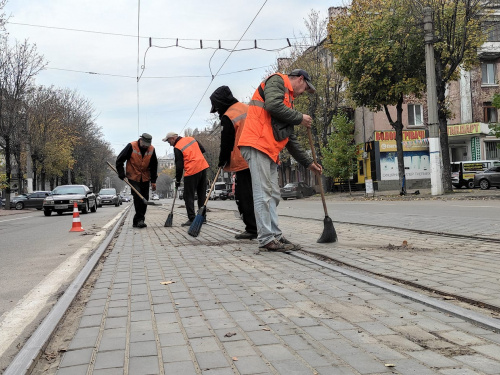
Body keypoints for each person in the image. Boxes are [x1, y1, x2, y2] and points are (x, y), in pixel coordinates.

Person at [238, 69, 323, 252]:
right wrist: (300, 118)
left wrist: (309, 164)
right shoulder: (277, 81)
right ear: (301, 79)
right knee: (263, 193)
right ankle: (266, 239)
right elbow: (272, 106)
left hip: (268, 149)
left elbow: (290, 140)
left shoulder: (288, 103)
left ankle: (275, 235)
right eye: (305, 89)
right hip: (256, 144)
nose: (302, 94)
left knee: (273, 195)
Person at [209, 85, 257, 240]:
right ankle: (263, 226)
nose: (216, 111)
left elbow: (227, 143)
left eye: (216, 108)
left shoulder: (228, 116)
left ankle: (252, 229)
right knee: (258, 195)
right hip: (258, 156)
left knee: (244, 197)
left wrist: (221, 161)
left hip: (243, 160)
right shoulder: (247, 108)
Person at [163, 132, 209, 226]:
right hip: (203, 167)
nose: (169, 144)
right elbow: (203, 150)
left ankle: (192, 218)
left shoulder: (177, 147)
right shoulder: (191, 139)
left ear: (172, 138)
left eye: (168, 141)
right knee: (201, 194)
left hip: (192, 171)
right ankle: (202, 217)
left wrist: (178, 180)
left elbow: (179, 166)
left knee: (188, 196)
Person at [116, 133, 158, 228]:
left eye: (147, 146)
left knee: (145, 199)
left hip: (145, 178)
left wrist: (153, 181)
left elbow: (154, 166)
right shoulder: (131, 146)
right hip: (133, 176)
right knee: (138, 198)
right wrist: (121, 173)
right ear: (141, 140)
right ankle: (140, 220)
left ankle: (137, 220)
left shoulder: (151, 149)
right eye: (144, 145)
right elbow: (119, 160)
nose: (145, 147)